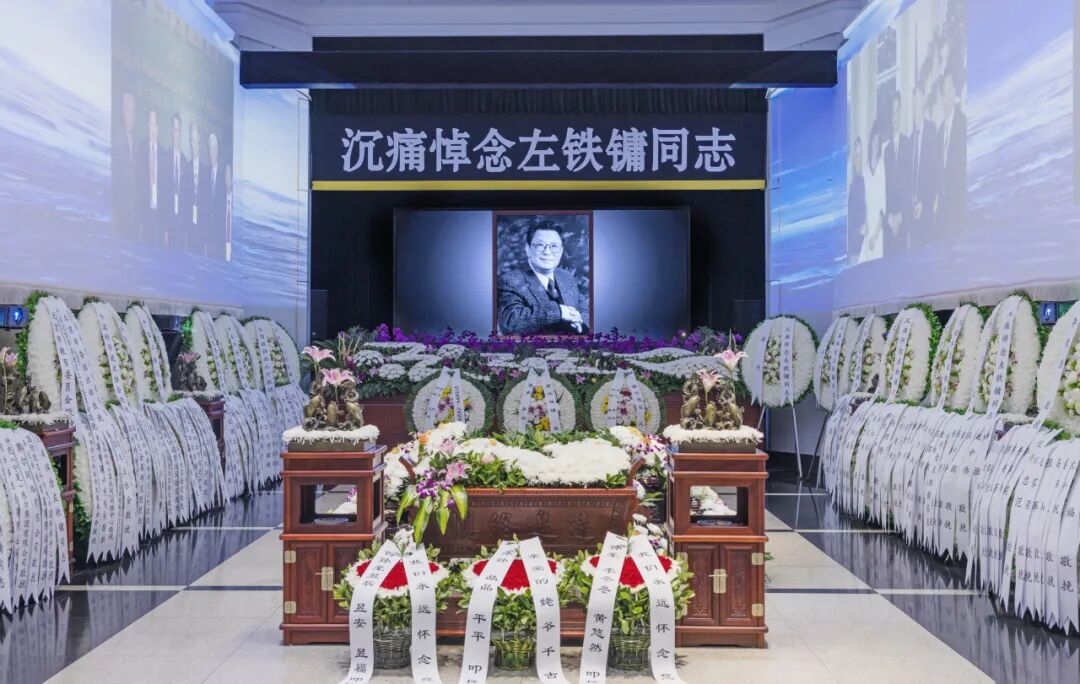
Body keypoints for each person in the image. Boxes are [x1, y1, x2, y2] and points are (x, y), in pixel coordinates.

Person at [497, 219, 589, 335]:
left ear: (561, 251)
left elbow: (585, 310)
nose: (547, 252)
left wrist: (580, 322)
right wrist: (559, 311)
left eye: (554, 246)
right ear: (528, 249)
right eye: (540, 245)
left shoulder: (567, 277)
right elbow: (510, 322)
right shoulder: (510, 281)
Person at [909, 78, 940, 249]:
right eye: (913, 104)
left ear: (923, 104)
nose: (916, 108)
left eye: (919, 103)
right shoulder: (911, 139)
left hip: (927, 210)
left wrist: (924, 202)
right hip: (912, 214)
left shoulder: (931, 131)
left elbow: (935, 173)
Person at [936, 69, 966, 238]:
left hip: (960, 213)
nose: (946, 97)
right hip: (943, 217)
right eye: (943, 92)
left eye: (950, 90)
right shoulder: (939, 132)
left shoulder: (963, 124)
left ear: (955, 93)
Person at [883, 91, 910, 255]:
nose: (894, 115)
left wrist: (901, 217)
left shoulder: (908, 144)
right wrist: (889, 219)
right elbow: (883, 188)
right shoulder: (885, 150)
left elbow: (909, 185)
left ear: (901, 113)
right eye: (892, 111)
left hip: (903, 219)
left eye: (897, 109)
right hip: (888, 222)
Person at [138, 108, 167, 248]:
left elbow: (166, 192)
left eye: (155, 124)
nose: (153, 128)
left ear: (158, 128)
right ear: (147, 126)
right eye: (150, 124)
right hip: (145, 213)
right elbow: (137, 186)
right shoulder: (141, 149)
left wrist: (166, 227)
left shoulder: (163, 153)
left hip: (159, 215)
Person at [859, 122, 886, 264]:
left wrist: (875, 235)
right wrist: (866, 225)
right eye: (873, 140)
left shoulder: (883, 168)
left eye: (878, 140)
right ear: (870, 143)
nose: (875, 144)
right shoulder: (865, 172)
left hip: (879, 231)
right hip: (868, 230)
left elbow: (884, 205)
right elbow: (865, 203)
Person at [114, 92, 139, 240]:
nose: (132, 116)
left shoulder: (137, 145)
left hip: (134, 217)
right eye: (129, 110)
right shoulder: (116, 141)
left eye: (133, 111)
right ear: (123, 111)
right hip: (119, 215)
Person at [185, 120, 205, 255]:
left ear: (200, 141)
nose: (194, 145)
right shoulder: (186, 167)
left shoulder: (205, 171)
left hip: (201, 229)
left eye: (196, 140)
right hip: (189, 228)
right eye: (192, 140)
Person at [167, 112, 186, 251]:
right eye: (174, 130)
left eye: (178, 130)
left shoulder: (185, 162)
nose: (176, 134)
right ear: (171, 132)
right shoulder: (165, 157)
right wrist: (165, 228)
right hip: (168, 221)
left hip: (181, 223)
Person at [206, 132, 226, 259]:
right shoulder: (204, 173)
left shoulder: (224, 176)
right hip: (208, 234)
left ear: (218, 150)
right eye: (210, 148)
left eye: (214, 148)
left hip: (220, 235)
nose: (212, 152)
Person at [848, 136, 867, 264]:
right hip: (854, 245)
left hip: (864, 243)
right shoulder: (852, 184)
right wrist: (858, 232)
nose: (858, 159)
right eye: (856, 155)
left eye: (860, 155)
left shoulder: (864, 180)